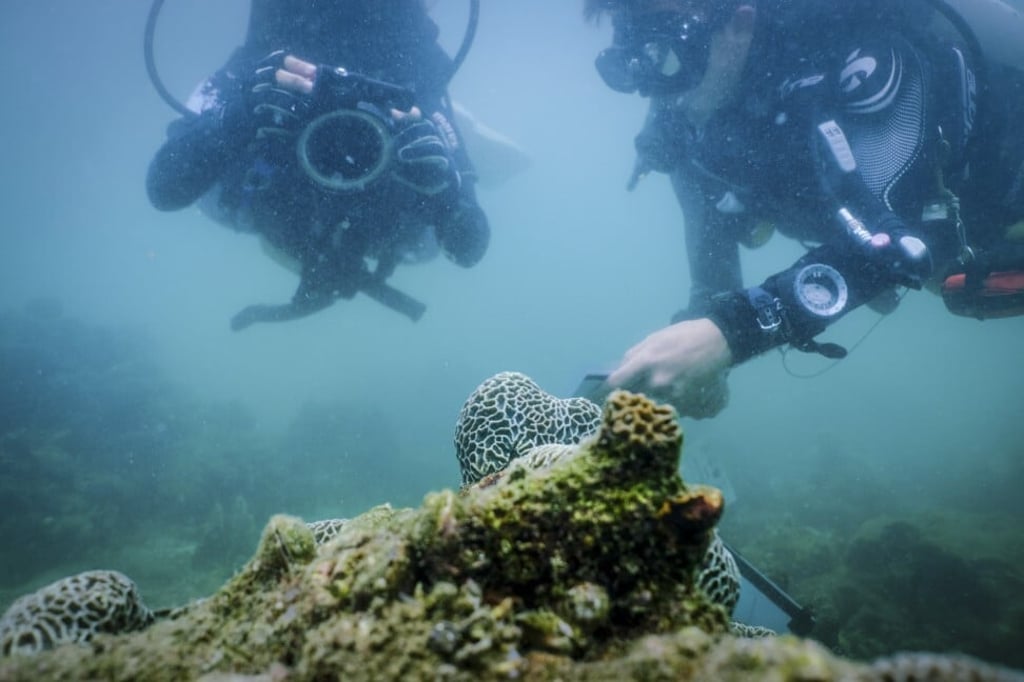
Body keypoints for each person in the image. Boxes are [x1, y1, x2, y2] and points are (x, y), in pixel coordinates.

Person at [585, 0, 1024, 417]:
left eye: (672, 45)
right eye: (642, 53)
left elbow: (898, 244)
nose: (666, 91)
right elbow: (711, 266)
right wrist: (693, 347)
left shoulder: (858, 58)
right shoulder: (694, 120)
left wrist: (728, 334)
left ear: (738, 23)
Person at [147, 0, 490, 330]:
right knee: (214, 176)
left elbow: (468, 247)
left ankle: (463, 137)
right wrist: (239, 114)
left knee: (429, 211)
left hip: (382, 230)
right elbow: (163, 189)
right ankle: (459, 140)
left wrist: (446, 189)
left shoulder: (416, 76)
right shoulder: (262, 67)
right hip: (271, 211)